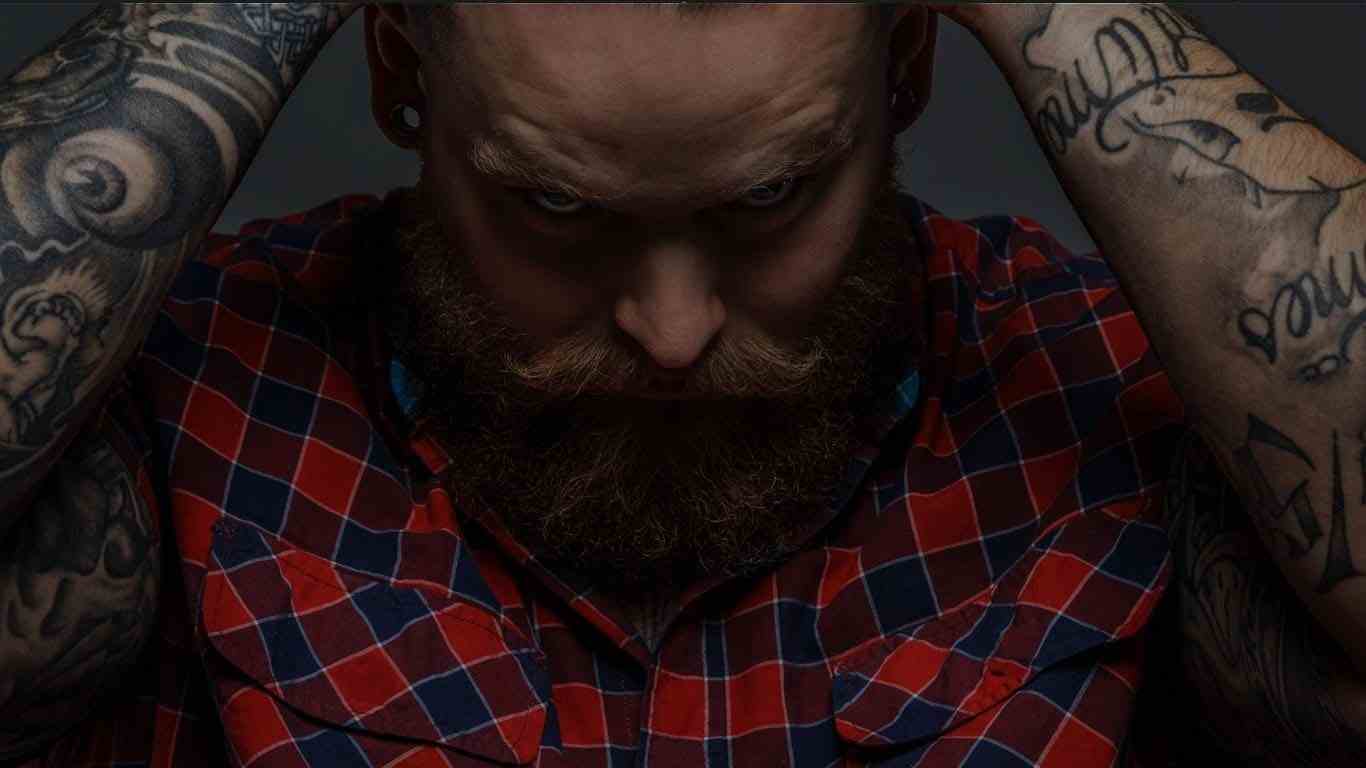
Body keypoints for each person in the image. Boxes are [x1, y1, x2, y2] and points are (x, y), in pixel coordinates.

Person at [0, 2, 1362, 766]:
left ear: (905, 70)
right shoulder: (180, 389)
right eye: (554, 206)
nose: (671, 330)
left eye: (770, 199)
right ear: (401, 71)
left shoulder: (1113, 389)